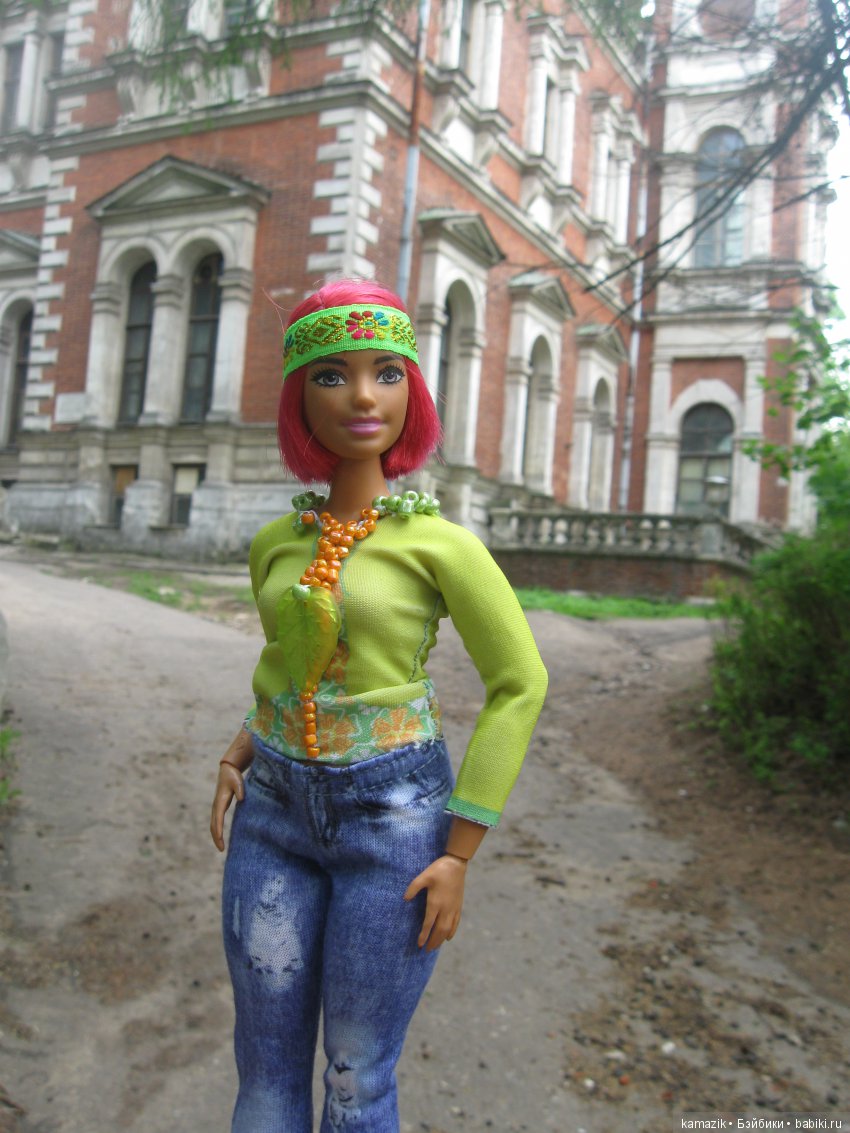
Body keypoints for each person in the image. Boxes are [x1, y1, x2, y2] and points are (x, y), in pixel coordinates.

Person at [210, 279, 548, 1133]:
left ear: (412, 391)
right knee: (264, 1064)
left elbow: (520, 683)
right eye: (332, 375)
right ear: (299, 398)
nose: (363, 396)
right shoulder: (276, 543)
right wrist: (238, 749)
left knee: (357, 1073)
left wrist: (460, 849)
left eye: (386, 372)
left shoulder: (440, 544)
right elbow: (288, 665)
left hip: (393, 821)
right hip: (271, 812)